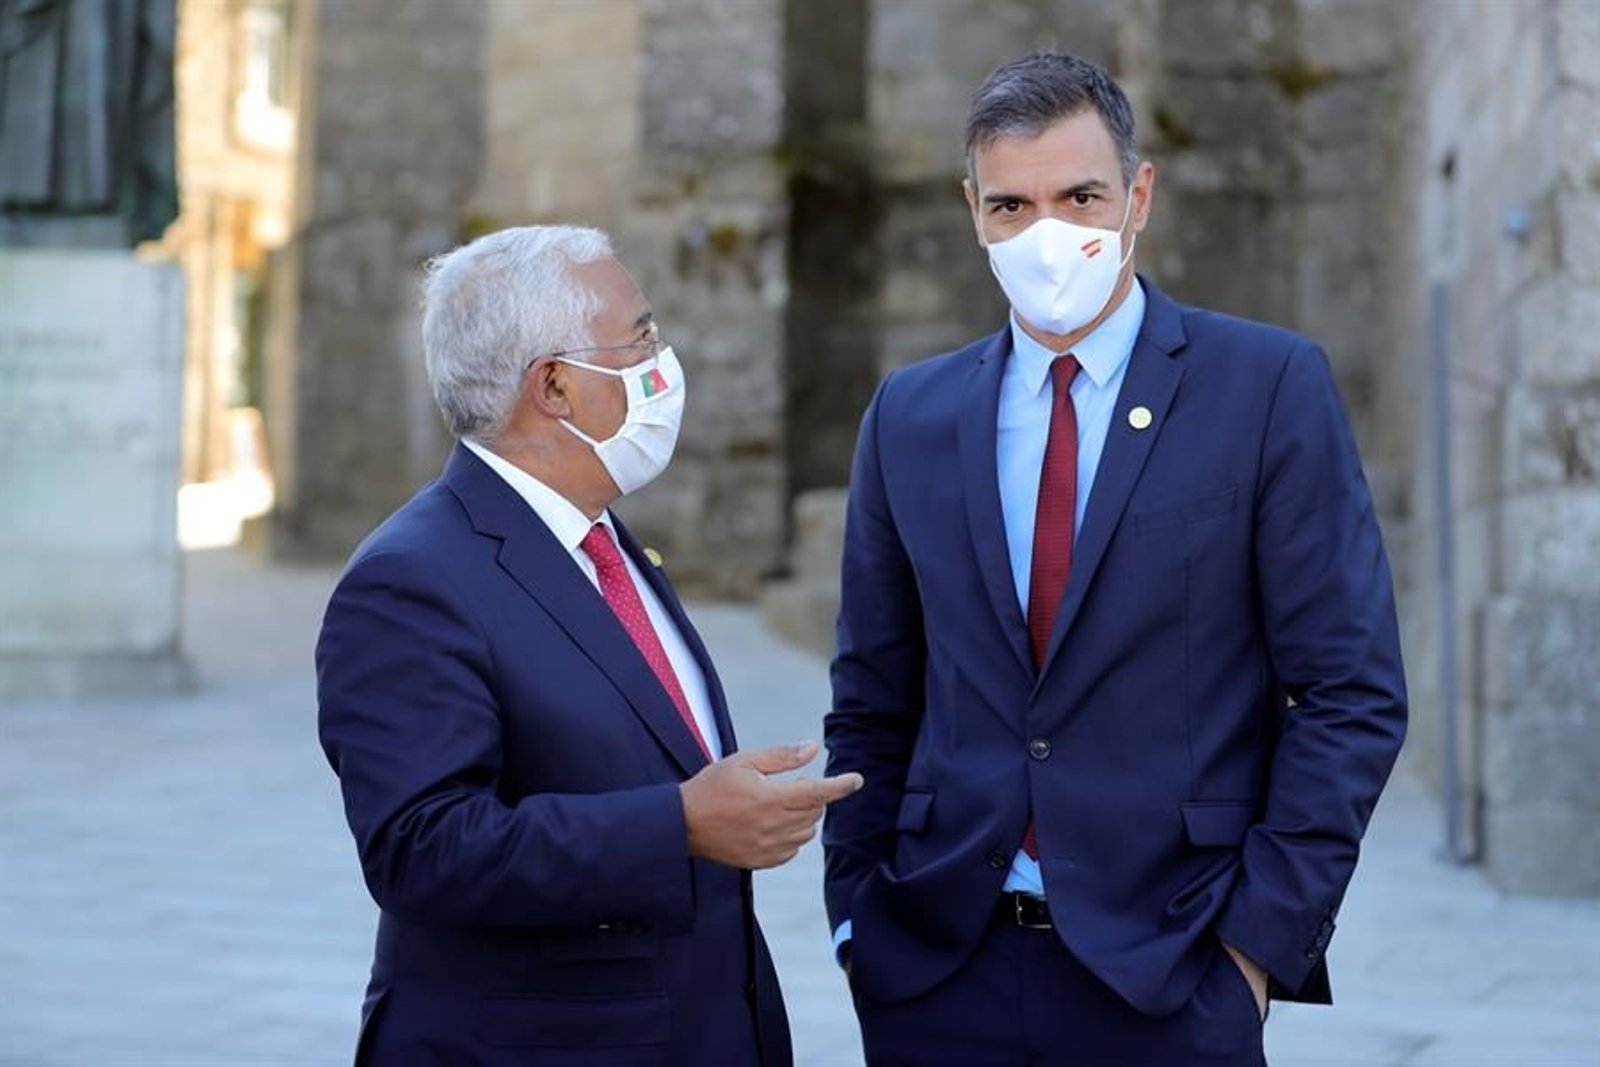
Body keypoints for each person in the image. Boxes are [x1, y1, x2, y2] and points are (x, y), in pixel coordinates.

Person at [823, 52, 1407, 1066]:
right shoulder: (906, 416)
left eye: (1079, 195)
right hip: (933, 971)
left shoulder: (1266, 387)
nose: (1046, 233)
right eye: (1011, 204)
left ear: (1137, 195)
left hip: (1171, 970)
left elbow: (1349, 689)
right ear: (972, 212)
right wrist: (853, 915)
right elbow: (873, 692)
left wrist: (1253, 947)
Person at [317, 225, 861, 1065]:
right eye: (641, 336)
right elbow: (423, 848)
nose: (663, 359)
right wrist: (679, 821)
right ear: (558, 385)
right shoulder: (411, 580)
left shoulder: (602, 538)